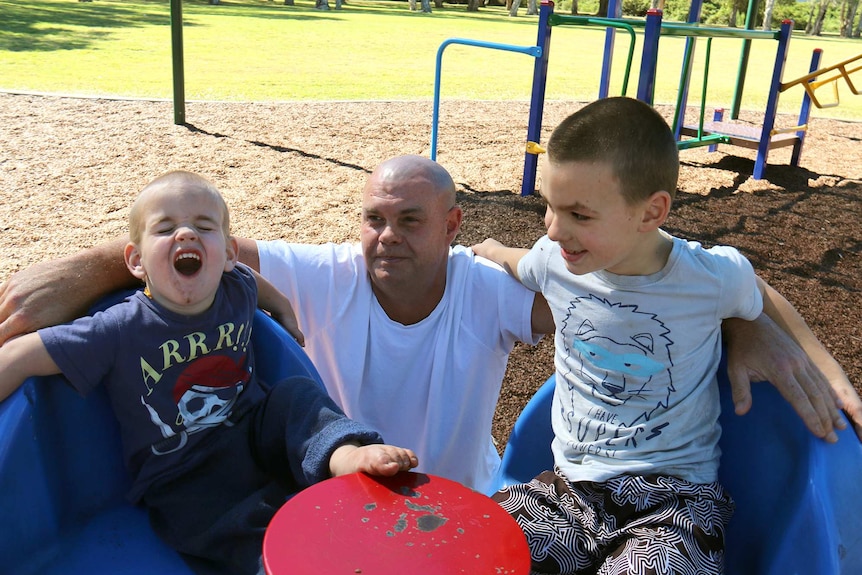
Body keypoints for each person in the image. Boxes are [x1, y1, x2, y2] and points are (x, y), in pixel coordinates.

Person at [0, 156, 856, 496]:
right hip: (334, 496)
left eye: (410, 220)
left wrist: (749, 324)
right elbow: (193, 246)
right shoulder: (321, 269)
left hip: (459, 502)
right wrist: (86, 268)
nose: (384, 236)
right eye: (372, 217)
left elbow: (652, 294)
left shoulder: (487, 291)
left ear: (451, 227)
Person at [471, 97, 851, 573]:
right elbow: (517, 259)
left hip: (675, 502)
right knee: (479, 546)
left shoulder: (706, 277)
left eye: (579, 215)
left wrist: (831, 374)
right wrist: (487, 248)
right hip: (569, 490)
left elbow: (762, 294)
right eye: (549, 206)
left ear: (652, 212)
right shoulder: (553, 259)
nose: (554, 228)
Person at [0, 171, 418, 575]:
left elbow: (257, 283)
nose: (186, 234)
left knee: (294, 395)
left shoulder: (236, 286)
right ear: (135, 260)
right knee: (233, 524)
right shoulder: (117, 329)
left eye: (204, 225)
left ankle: (344, 454)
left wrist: (286, 313)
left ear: (228, 252)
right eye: (165, 229)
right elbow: (21, 356)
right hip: (183, 473)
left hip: (255, 429)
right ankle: (279, 564)